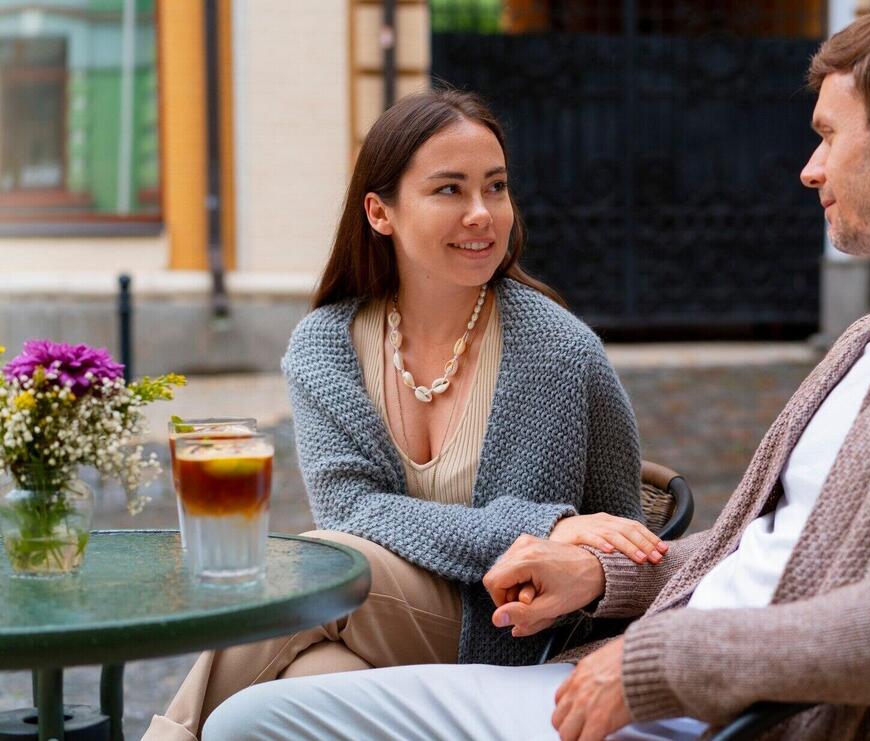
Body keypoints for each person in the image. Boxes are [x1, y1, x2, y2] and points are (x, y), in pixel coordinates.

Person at [201, 1, 870, 739]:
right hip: (638, 678)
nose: (809, 170)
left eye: (826, 133)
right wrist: (598, 582)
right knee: (260, 713)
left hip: (709, 715)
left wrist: (657, 662)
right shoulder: (869, 342)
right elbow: (765, 559)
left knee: (260, 721)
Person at [145, 90, 668, 740]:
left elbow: (621, 538)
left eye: (496, 188)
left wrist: (568, 552)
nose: (482, 214)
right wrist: (541, 524)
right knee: (310, 673)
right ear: (380, 211)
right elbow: (353, 511)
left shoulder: (562, 350)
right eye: (449, 189)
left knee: (318, 568)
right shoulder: (325, 345)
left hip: (508, 635)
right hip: (375, 617)